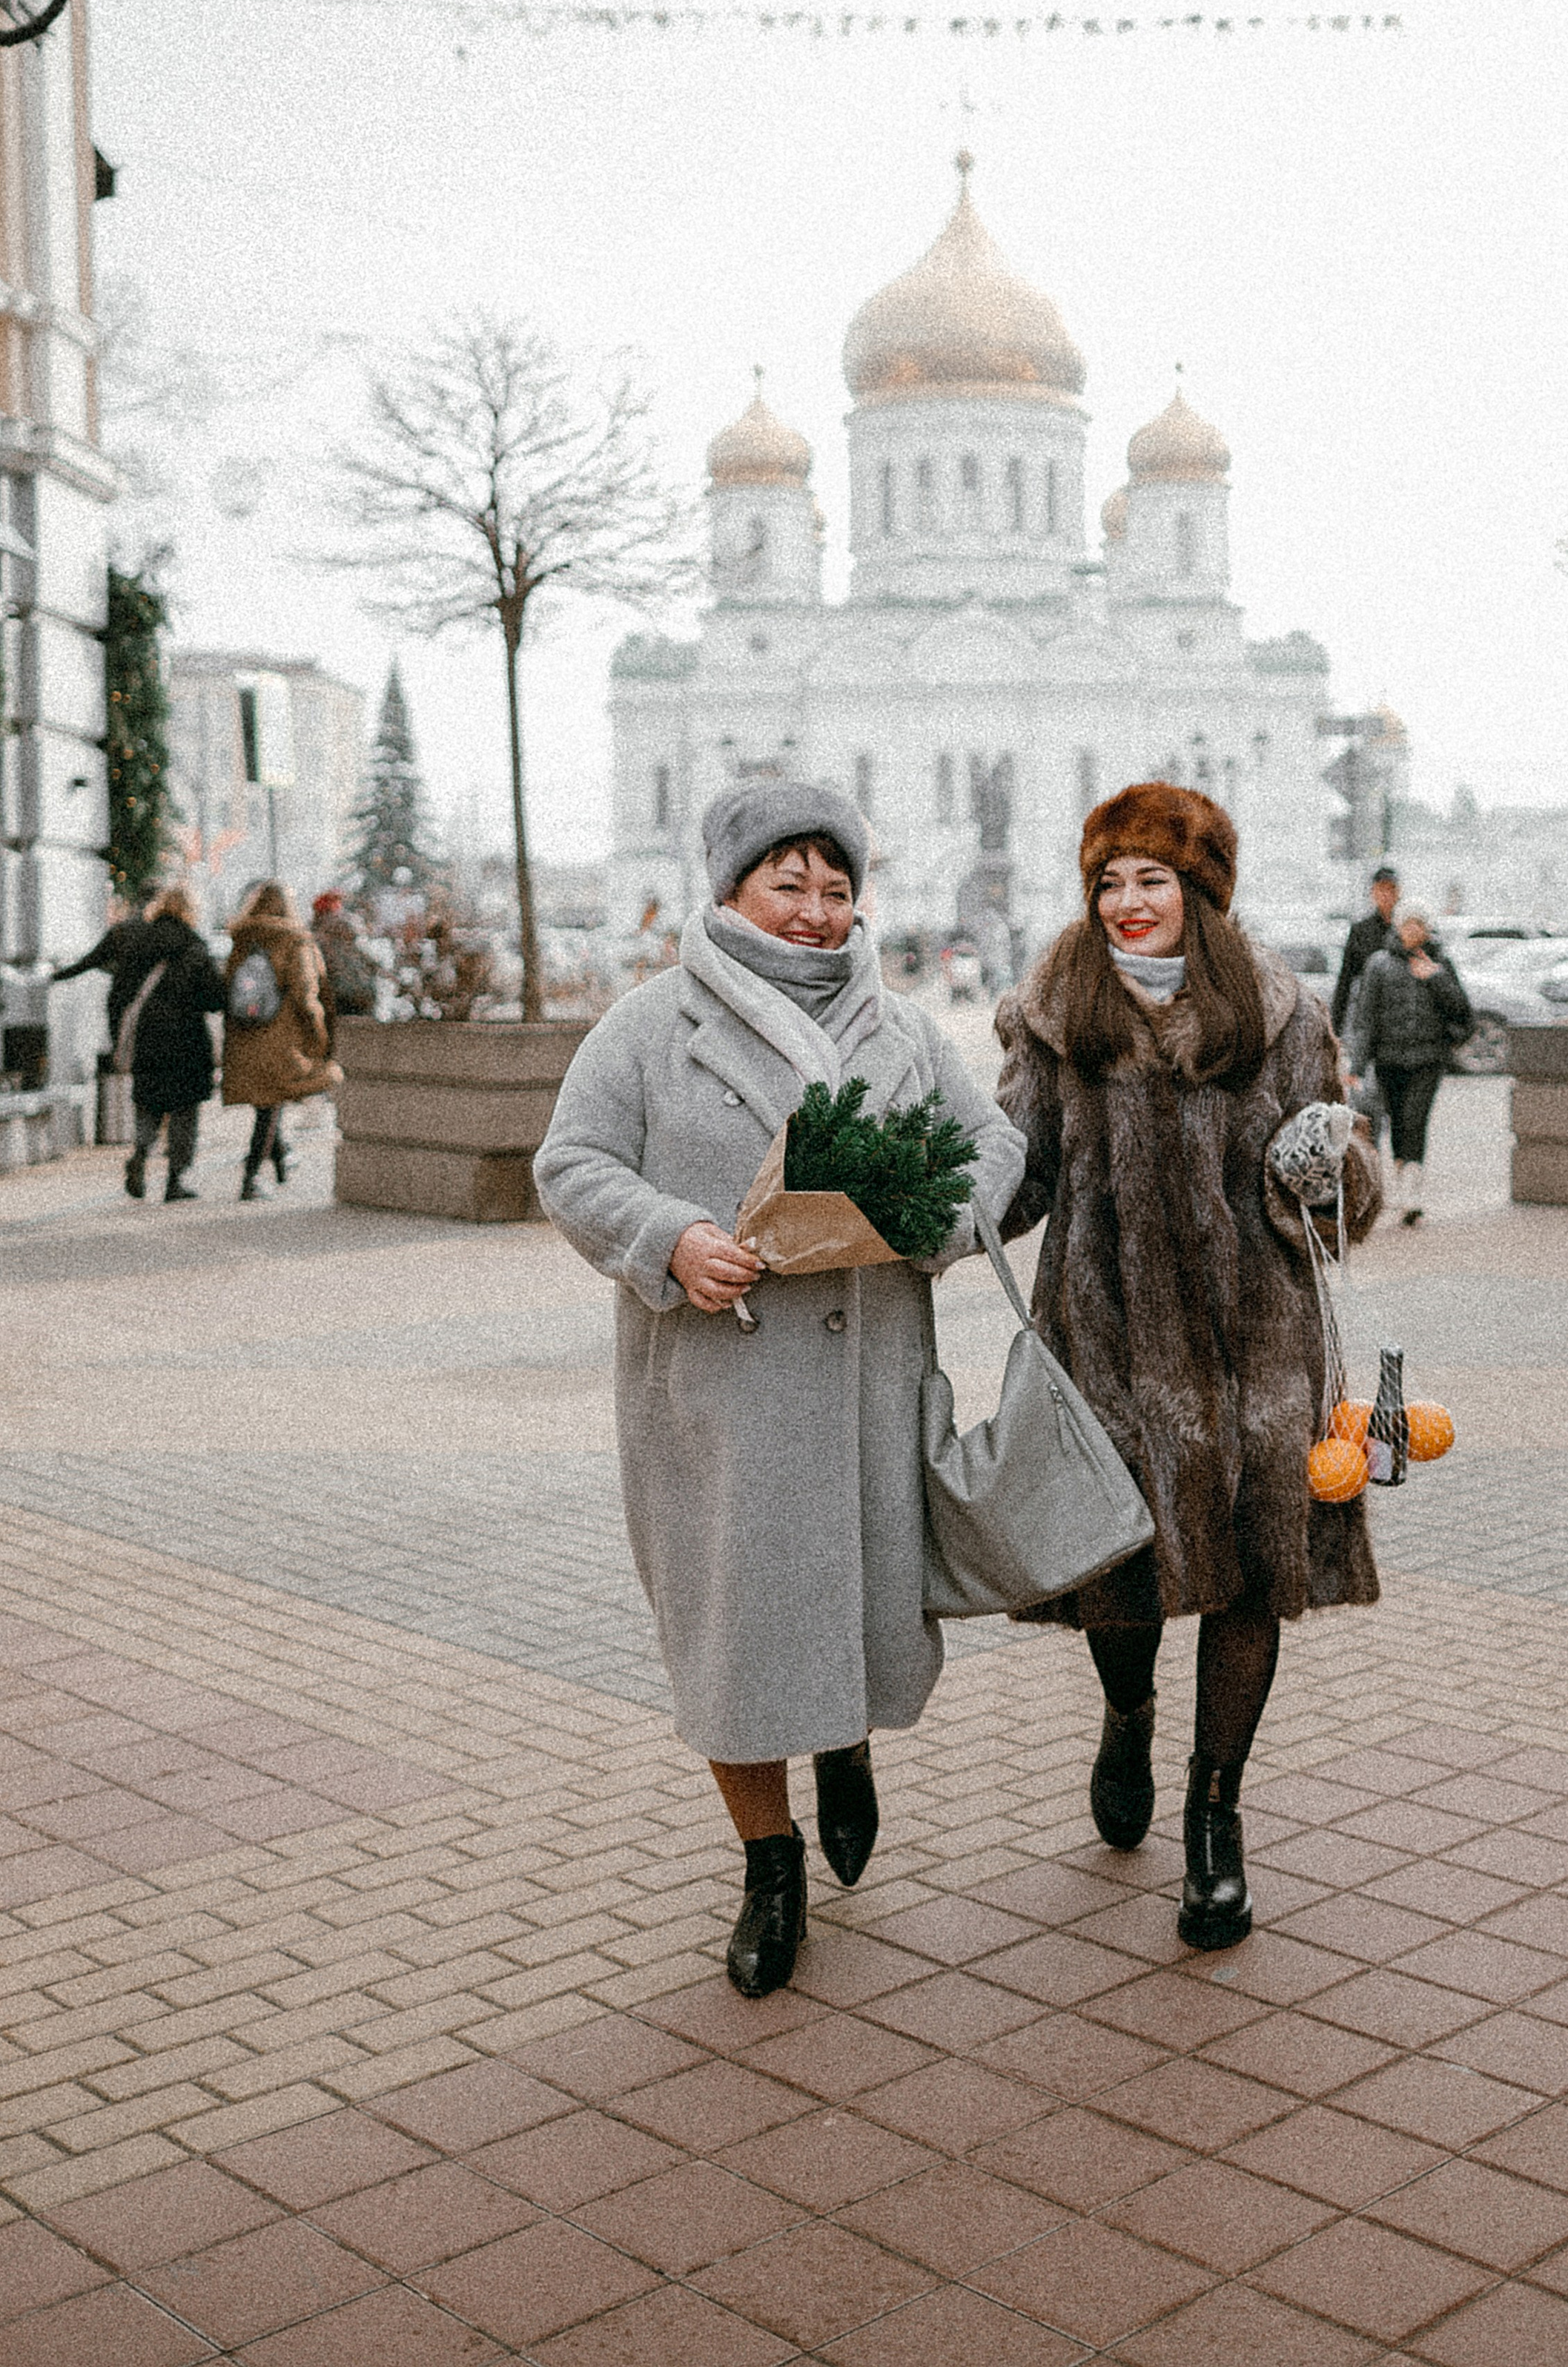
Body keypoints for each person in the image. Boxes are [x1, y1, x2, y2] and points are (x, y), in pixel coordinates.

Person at [535, 782, 1025, 1999]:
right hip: (724, 1397)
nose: (814, 912)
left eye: (836, 888)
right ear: (731, 889)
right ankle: (769, 1859)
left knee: (849, 1610)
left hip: (864, 1390)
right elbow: (573, 1163)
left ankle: (845, 1745)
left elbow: (997, 1151)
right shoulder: (652, 1024)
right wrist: (669, 1237)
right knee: (732, 1640)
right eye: (787, 885)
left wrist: (931, 1216)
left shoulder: (903, 1031)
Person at [995, 783, 1381, 1952]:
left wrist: (1325, 1171)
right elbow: (1018, 1169)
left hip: (1259, 1347)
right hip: (1109, 1345)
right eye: (1108, 882)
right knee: (1123, 1571)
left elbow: (1342, 1194)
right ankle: (1127, 1710)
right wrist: (917, 1212)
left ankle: (1217, 1813)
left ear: (1200, 891)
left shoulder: (1280, 1012)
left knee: (1255, 1574)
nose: (1126, 904)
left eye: (1150, 881)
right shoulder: (1053, 1012)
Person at [1350, 903, 1474, 1225]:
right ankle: (1404, 1182)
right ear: (1398, 927)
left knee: (1415, 1120)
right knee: (1398, 1124)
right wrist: (1357, 1066)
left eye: (1419, 925)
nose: (1412, 931)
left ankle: (1413, 1194)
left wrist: (1437, 980)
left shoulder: (1440, 963)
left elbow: (1463, 1013)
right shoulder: (1379, 964)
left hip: (1428, 1060)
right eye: (1407, 924)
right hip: (1389, 1059)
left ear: (1427, 929)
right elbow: (1366, 1019)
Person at [222, 882, 342, 1200]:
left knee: (268, 1102)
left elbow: (228, 989)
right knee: (270, 1104)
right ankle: (251, 1177)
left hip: (245, 1037)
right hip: (281, 1036)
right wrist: (320, 1034)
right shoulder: (295, 940)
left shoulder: (241, 940)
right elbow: (306, 994)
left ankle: (281, 1157)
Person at [122, 886, 225, 1203]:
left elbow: (121, 993)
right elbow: (213, 998)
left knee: (149, 1101)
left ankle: (141, 1151)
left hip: (149, 1036)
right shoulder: (195, 947)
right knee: (183, 1109)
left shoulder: (139, 944)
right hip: (186, 1038)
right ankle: (175, 1181)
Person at [47, 882, 163, 1049]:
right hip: (154, 1001)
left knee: (123, 1051)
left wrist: (55, 976)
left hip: (122, 998)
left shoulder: (122, 931)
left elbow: (90, 961)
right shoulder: (163, 934)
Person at [1330, 863, 1400, 1034]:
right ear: (1373, 893)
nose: (1386, 895)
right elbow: (1345, 979)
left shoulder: (1409, 929)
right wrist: (1335, 1026)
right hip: (1370, 1015)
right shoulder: (1361, 931)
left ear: (1399, 893)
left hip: (1401, 1013)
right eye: (1381, 889)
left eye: (1391, 889)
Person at [310, 892, 378, 1017]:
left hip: (355, 994)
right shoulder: (319, 941)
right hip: (340, 995)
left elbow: (372, 964)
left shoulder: (350, 942)